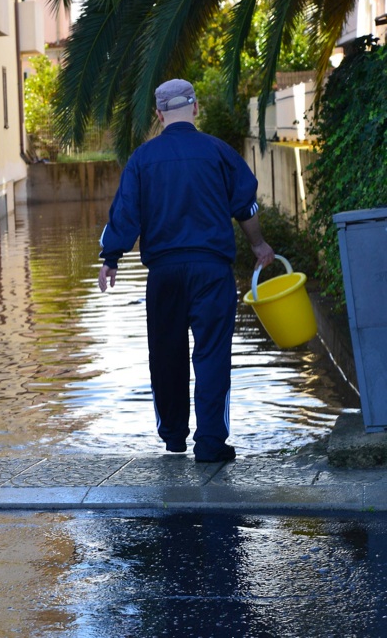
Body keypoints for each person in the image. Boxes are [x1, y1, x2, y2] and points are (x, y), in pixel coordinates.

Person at [97, 79, 275, 463]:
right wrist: (259, 246)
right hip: (212, 271)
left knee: (166, 354)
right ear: (195, 108)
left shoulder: (142, 159)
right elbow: (246, 207)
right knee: (212, 353)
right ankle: (210, 443)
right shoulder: (218, 152)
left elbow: (125, 214)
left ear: (159, 115)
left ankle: (174, 438)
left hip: (164, 274)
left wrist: (110, 259)